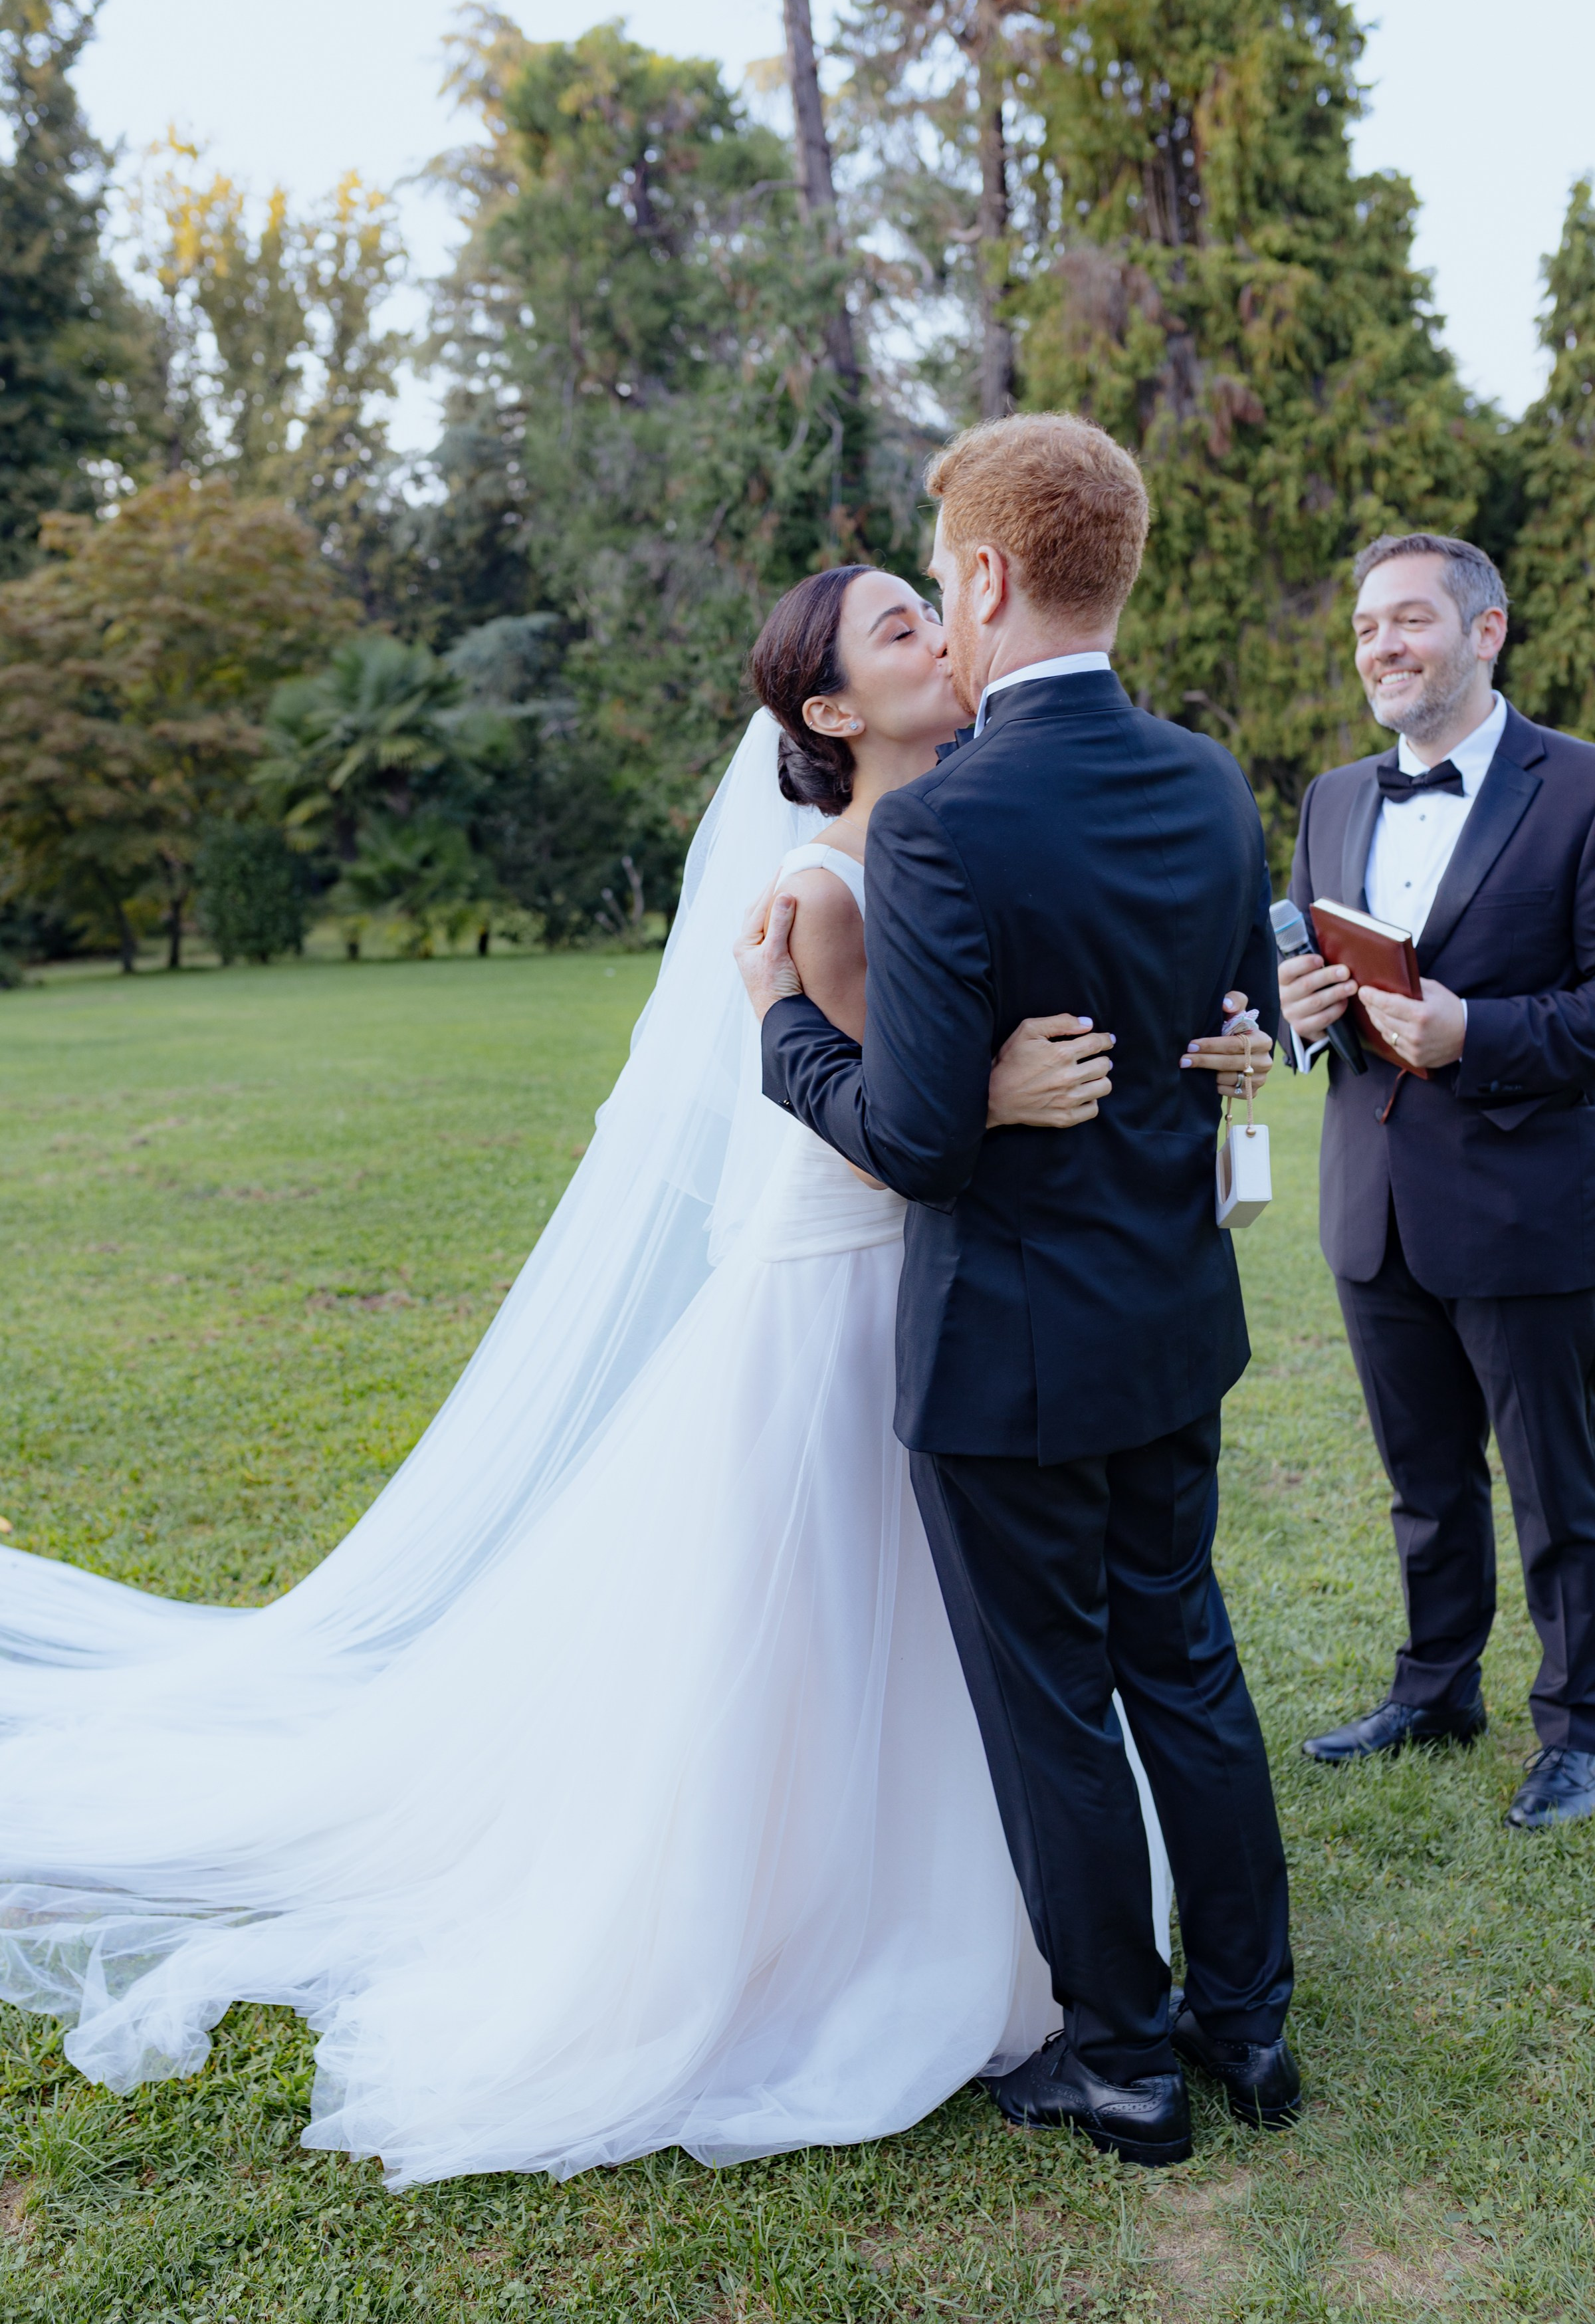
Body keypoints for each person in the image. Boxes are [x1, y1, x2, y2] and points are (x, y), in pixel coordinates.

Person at [0, 558, 1258, 2186]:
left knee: (994, 1661)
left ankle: (1032, 1946)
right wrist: (982, 1097)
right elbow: (907, 1138)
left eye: (931, 609)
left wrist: (1211, 1038)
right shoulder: (820, 892)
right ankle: (850, 1922)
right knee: (836, 1639)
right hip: (856, 1294)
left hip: (982, 1306)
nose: (939, 636)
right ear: (827, 710)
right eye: (899, 629)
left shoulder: (989, 826)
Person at [738, 413, 1298, 2169]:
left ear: (984, 575)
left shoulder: (943, 828)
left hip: (1006, 1358)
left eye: (940, 580)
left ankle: (1124, 2062)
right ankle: (1252, 2029)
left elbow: (915, 1139)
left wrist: (777, 1035)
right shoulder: (1212, 779)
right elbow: (1232, 1030)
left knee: (1055, 1707)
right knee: (1187, 1665)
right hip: (1172, 1321)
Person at [1281, 532, 1595, 1831]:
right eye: (1364, 629)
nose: (1381, 649)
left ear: (1486, 631)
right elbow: (1307, 963)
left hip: (1528, 1206)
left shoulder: (1579, 789)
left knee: (1561, 1488)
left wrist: (1481, 1035)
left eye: (1408, 622)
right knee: (1425, 1479)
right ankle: (1436, 1687)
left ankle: (1580, 1732)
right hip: (1374, 1199)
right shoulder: (1334, 800)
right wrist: (1299, 1007)